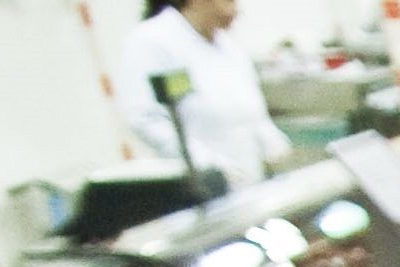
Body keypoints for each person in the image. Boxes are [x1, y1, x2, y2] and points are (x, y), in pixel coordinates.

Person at [115, 0, 294, 192]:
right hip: (198, 190)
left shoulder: (229, 47)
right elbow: (146, 120)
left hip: (250, 186)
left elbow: (252, 113)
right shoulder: (152, 41)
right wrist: (207, 164)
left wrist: (272, 141)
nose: (236, 8)